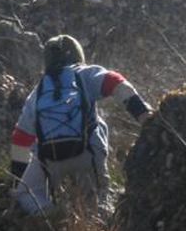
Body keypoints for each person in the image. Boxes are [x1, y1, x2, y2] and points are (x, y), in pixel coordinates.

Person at [9, 34, 151, 215]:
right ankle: (102, 229)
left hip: (50, 161)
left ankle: (51, 218)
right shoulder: (84, 73)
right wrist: (145, 117)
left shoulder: (38, 92)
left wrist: (16, 180)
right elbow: (116, 83)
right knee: (98, 204)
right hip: (88, 153)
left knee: (24, 192)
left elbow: (20, 139)